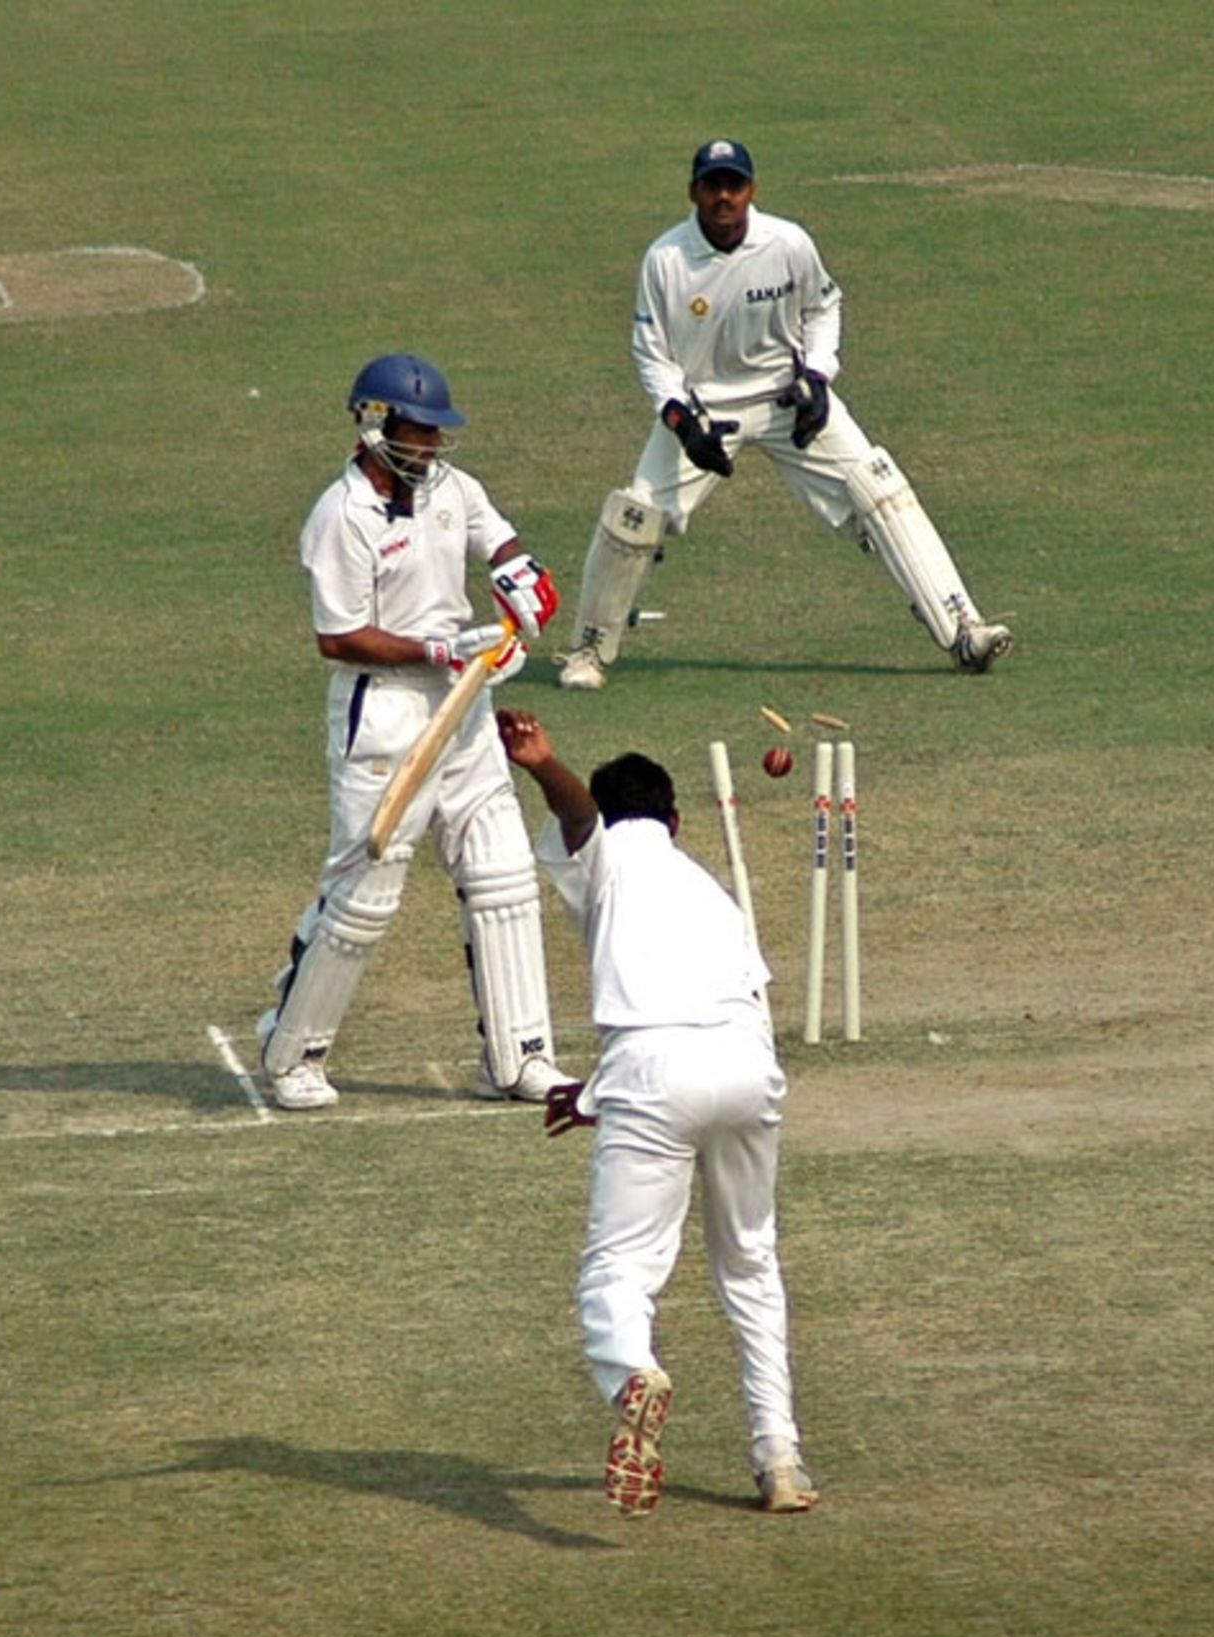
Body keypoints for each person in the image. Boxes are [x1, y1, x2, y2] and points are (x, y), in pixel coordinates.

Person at [497, 707, 818, 1518]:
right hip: (748, 1068)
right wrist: (600, 1093)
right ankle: (780, 1458)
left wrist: (541, 761)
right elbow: (725, 1020)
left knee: (619, 1269)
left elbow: (575, 812)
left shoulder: (607, 849)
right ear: (677, 820)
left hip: (652, 1069)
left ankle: (631, 1372)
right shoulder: (706, 888)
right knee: (750, 1264)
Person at [559, 137, 1013, 689]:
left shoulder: (788, 243)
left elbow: (824, 306)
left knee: (880, 489)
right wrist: (679, 419)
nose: (723, 197)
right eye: (712, 186)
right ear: (693, 192)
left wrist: (819, 377)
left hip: (786, 401)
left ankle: (963, 629)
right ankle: (588, 650)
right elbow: (651, 354)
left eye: (734, 185)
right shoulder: (667, 259)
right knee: (633, 517)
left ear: (752, 190)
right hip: (705, 409)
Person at [256, 353, 569, 1112]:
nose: (428, 445)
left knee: (501, 875)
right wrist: (440, 649)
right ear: (373, 424)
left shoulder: (452, 490)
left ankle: (519, 1057)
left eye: (434, 432)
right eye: (415, 430)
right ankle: (292, 1050)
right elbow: (339, 638)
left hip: (460, 707)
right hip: (383, 710)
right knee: (365, 896)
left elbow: (499, 543)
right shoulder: (341, 515)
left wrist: (523, 589)